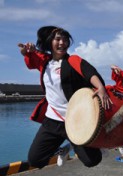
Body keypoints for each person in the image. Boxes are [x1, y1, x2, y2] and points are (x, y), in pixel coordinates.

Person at [18, 26, 112, 168]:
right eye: (58, 39)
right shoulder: (45, 62)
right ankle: (62, 149)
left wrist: (100, 88)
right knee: (35, 160)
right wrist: (25, 52)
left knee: (92, 161)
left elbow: (89, 72)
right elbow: (31, 58)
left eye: (65, 39)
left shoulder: (72, 60)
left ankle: (69, 146)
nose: (62, 42)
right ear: (50, 42)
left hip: (75, 121)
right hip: (52, 120)